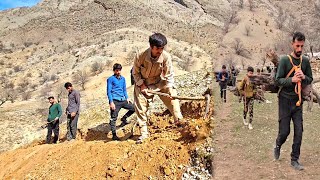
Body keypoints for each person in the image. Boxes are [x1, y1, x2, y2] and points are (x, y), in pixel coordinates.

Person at [132, 32, 184, 144]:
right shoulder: (140, 56)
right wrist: (142, 85)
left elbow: (169, 74)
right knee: (140, 107)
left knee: (173, 99)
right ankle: (144, 133)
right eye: (158, 49)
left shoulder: (166, 57)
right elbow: (135, 73)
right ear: (151, 47)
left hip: (159, 82)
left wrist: (169, 90)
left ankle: (180, 123)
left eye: (162, 48)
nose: (160, 51)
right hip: (144, 84)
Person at [274, 32, 313, 170]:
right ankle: (278, 144)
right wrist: (292, 80)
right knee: (284, 132)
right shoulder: (285, 60)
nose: (300, 49)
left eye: (302, 46)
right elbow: (277, 80)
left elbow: (310, 79)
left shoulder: (306, 61)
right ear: (292, 44)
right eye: (297, 45)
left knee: (299, 131)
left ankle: (294, 159)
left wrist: (303, 77)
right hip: (284, 100)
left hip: (298, 101)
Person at [107, 63, 135, 141]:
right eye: (117, 70)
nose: (118, 72)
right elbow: (109, 92)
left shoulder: (123, 79)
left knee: (134, 108)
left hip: (123, 100)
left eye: (119, 70)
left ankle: (124, 118)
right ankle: (114, 135)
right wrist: (111, 102)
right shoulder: (110, 79)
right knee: (113, 118)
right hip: (115, 101)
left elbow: (124, 89)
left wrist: (127, 98)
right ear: (114, 71)